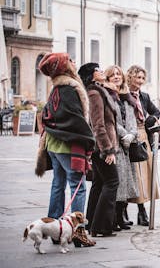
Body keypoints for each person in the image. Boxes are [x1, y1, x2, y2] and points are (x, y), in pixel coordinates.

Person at [36, 52, 96, 247]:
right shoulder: (69, 89)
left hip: (54, 144)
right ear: (64, 66)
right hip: (66, 145)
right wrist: (88, 139)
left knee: (58, 184)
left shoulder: (57, 88)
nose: (74, 62)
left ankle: (54, 228)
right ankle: (78, 231)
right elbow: (74, 120)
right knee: (78, 187)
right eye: (70, 60)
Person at [78, 63, 120, 237]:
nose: (102, 71)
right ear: (91, 75)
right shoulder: (95, 93)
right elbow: (98, 124)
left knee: (99, 183)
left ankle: (92, 224)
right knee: (112, 182)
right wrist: (108, 150)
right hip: (102, 146)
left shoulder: (97, 91)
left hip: (98, 146)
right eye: (98, 70)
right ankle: (101, 227)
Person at [105, 65, 139, 230]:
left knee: (126, 182)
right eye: (113, 75)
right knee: (117, 182)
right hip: (116, 143)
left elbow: (132, 119)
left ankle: (120, 216)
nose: (117, 77)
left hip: (127, 145)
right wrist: (124, 134)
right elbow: (110, 120)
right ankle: (112, 218)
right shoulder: (108, 96)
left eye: (119, 74)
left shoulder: (127, 97)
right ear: (108, 78)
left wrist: (132, 135)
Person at [126, 65, 160, 226]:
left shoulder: (144, 96)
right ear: (130, 77)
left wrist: (151, 119)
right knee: (134, 176)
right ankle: (124, 210)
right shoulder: (124, 95)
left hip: (144, 137)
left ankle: (142, 211)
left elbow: (156, 112)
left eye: (142, 78)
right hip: (130, 137)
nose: (140, 81)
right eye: (137, 77)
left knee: (145, 176)